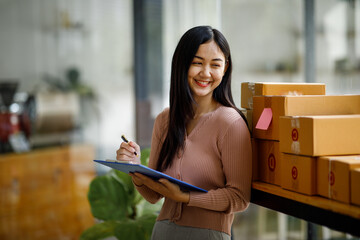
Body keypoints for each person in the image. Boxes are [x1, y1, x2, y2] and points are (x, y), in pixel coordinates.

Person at [116, 25, 252, 240]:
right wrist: (134, 169)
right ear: (181, 64)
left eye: (215, 65)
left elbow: (239, 197)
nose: (205, 73)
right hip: (163, 232)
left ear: (225, 69)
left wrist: (186, 197)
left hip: (208, 235)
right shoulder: (165, 120)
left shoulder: (231, 122)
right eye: (197, 63)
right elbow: (152, 195)